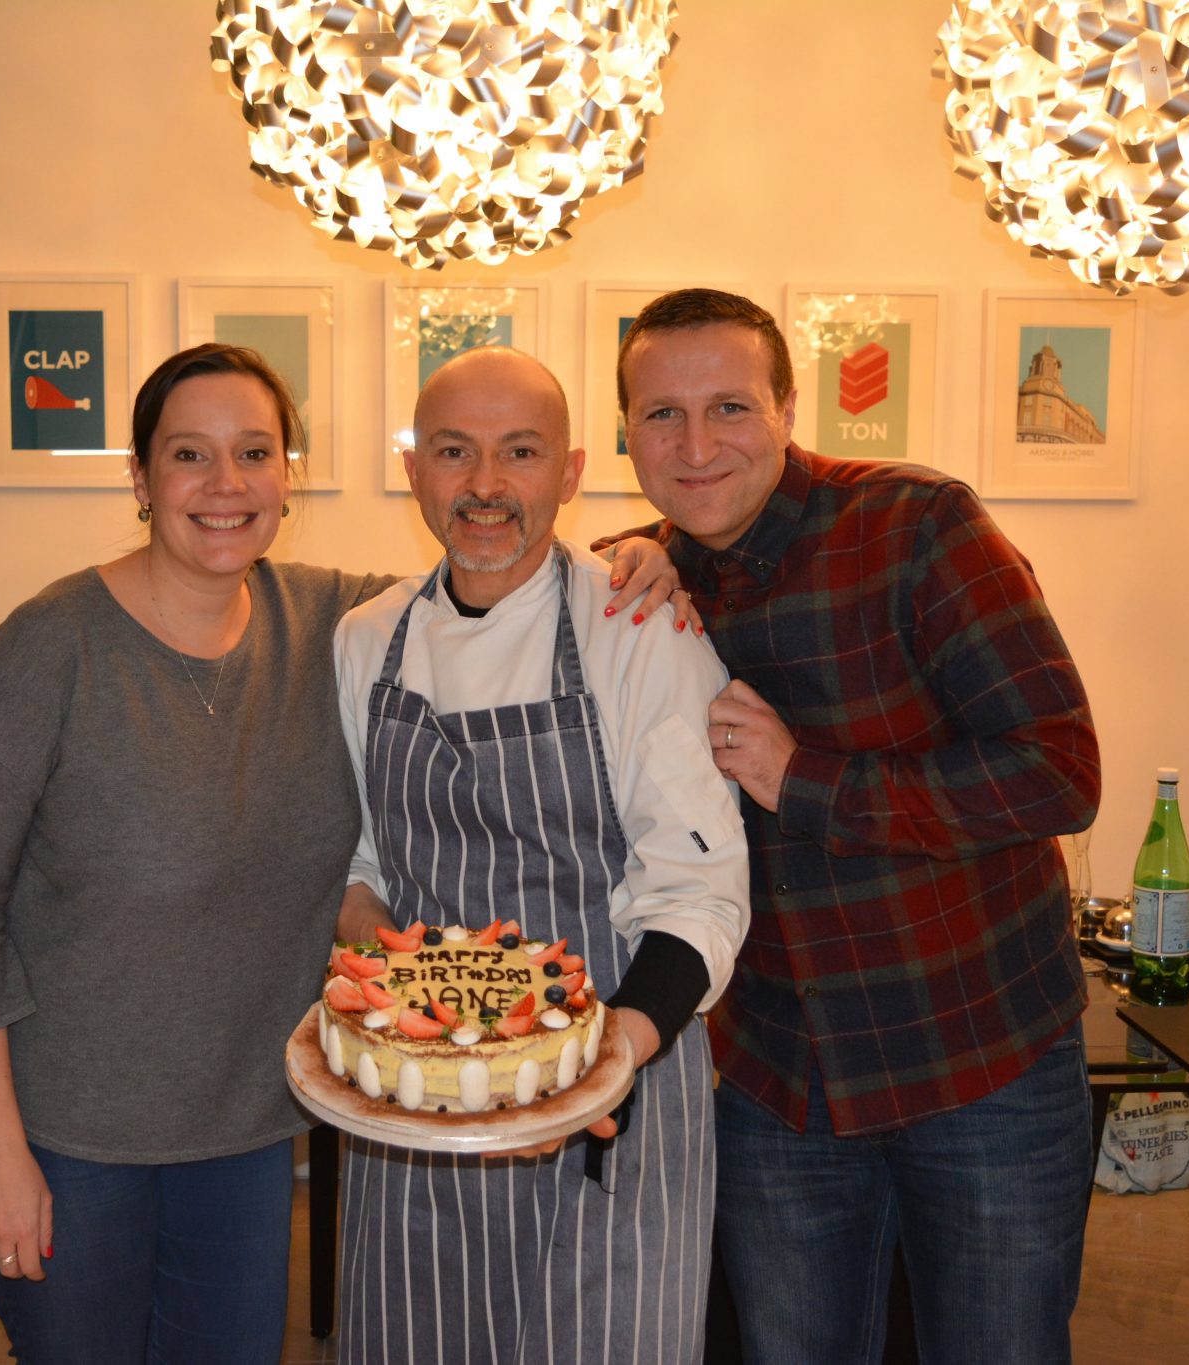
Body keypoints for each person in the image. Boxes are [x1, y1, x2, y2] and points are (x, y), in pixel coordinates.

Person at [0, 343, 689, 1364]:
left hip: (241, 1120)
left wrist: (647, 552)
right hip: (60, 1120)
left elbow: (495, 562)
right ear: (140, 477)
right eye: (189, 454)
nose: (224, 484)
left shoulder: (332, 622)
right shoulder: (51, 646)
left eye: (253, 453)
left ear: (287, 476)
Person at [607, 290, 1101, 1365]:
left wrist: (805, 781)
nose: (696, 446)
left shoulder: (917, 526)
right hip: (777, 1077)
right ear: (625, 435)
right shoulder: (638, 585)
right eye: (661, 416)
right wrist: (635, 552)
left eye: (730, 407)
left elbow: (1058, 774)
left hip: (978, 1057)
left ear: (788, 409)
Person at [331, 346, 750, 1363]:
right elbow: (361, 864)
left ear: (568, 475)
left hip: (620, 1074)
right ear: (412, 470)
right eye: (452, 452)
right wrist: (420, 1030)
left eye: (519, 452)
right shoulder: (366, 639)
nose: (484, 484)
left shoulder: (639, 628)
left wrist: (594, 1068)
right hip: (422, 1101)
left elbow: (698, 892)